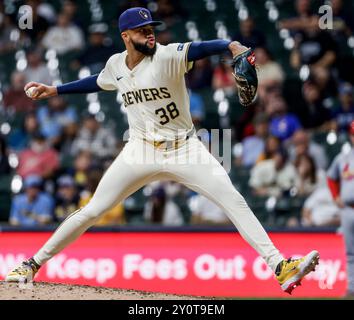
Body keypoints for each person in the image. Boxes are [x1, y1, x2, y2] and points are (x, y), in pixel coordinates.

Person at [6, 7, 319, 294]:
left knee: (233, 199)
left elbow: (201, 47)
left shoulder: (168, 56)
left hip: (185, 148)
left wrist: (231, 46)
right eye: (142, 30)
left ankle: (280, 266)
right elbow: (97, 81)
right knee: (92, 210)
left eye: (151, 27)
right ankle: (30, 265)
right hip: (140, 150)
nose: (150, 33)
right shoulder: (116, 65)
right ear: (125, 37)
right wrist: (55, 90)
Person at [326, 120, 354, 297]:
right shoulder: (343, 158)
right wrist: (336, 196)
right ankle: (352, 288)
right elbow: (331, 177)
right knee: (351, 252)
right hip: (347, 210)